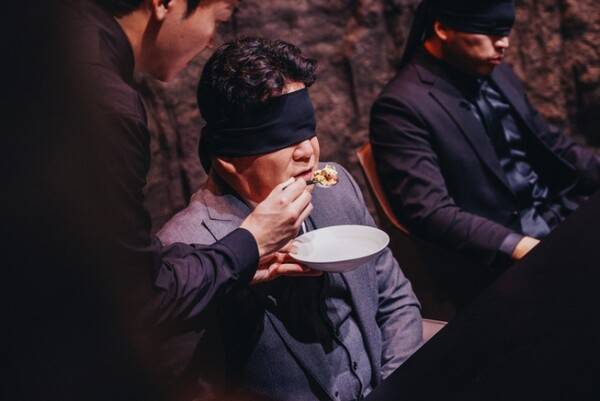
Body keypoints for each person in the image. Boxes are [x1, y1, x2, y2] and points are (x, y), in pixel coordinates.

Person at [4, 1, 315, 400]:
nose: (211, 41)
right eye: (217, 19)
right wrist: (250, 243)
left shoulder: (68, 53)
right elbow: (138, 296)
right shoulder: (100, 99)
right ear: (166, 4)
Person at [158, 37, 423, 401]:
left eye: (307, 129)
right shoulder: (187, 249)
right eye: (280, 137)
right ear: (229, 159)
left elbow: (396, 301)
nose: (307, 151)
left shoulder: (336, 187)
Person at [369, 0, 600, 302]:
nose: (504, 43)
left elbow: (553, 144)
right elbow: (431, 212)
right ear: (442, 28)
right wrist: (520, 246)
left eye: (505, 31)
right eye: (490, 31)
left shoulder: (497, 72)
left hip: (557, 214)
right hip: (501, 256)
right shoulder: (400, 108)